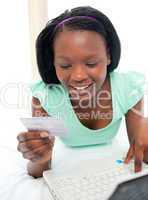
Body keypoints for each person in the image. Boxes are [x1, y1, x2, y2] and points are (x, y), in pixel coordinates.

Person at [17, 6, 148, 178]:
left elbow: (139, 152)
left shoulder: (127, 88)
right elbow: (38, 171)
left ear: (108, 56)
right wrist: (39, 157)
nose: (78, 76)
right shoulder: (46, 97)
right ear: (53, 62)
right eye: (65, 65)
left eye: (92, 63)